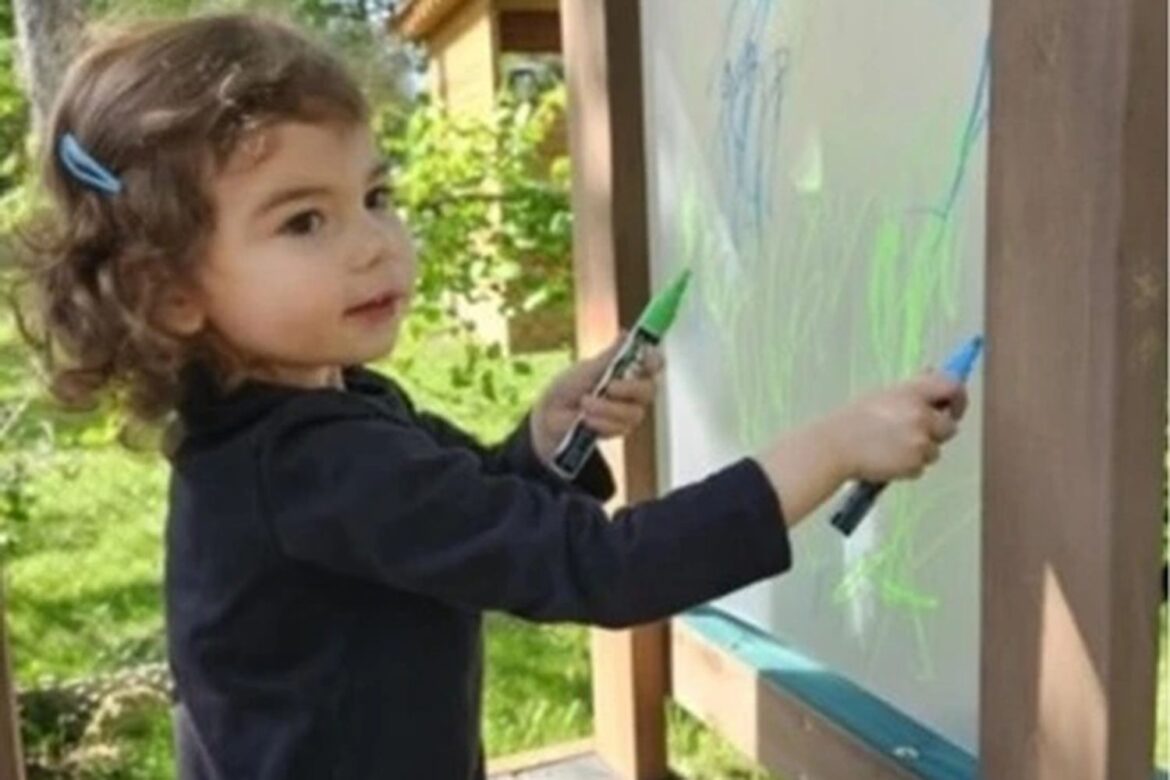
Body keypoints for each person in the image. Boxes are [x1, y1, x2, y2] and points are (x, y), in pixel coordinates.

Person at [15, 13, 968, 779]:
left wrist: (545, 443)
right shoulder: (313, 465)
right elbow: (603, 570)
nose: (374, 244)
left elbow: (464, 511)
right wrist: (833, 446)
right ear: (168, 292)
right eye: (304, 221)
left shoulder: (319, 411)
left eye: (376, 197)